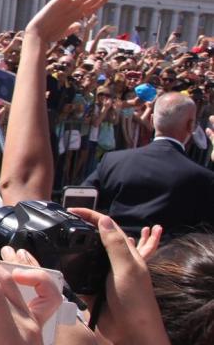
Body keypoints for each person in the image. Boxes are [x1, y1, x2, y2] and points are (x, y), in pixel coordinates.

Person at [82, 90, 214, 237]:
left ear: (151, 120)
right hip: (167, 257)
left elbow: (80, 204)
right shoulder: (202, 177)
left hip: (112, 253)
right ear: (191, 125)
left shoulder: (113, 161)